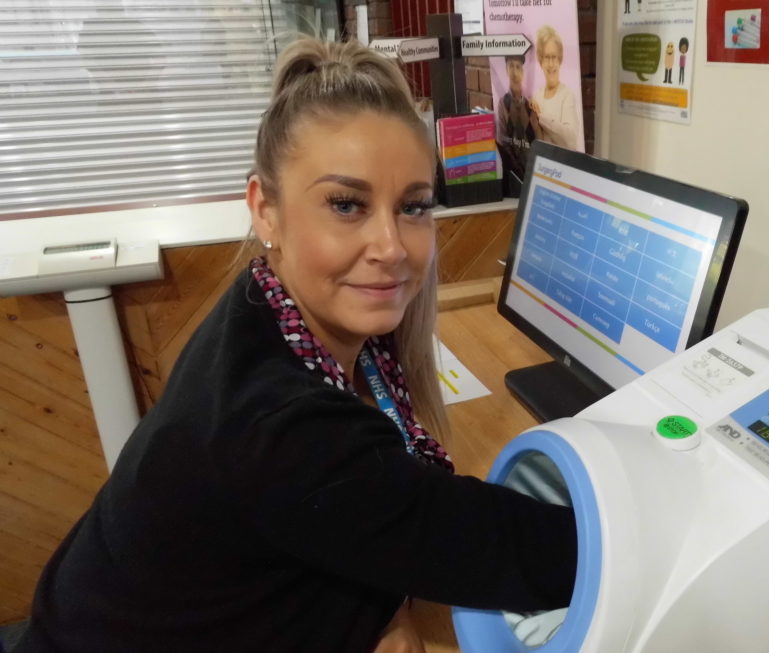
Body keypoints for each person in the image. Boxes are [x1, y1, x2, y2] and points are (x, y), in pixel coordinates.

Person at [12, 36, 577, 653]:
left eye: (413, 207)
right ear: (266, 210)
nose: (390, 246)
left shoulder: (264, 305)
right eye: (346, 204)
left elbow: (353, 522)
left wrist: (381, 604)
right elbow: (528, 555)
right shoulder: (281, 425)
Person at [529, 25, 582, 151]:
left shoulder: (567, 95)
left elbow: (571, 140)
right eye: (547, 57)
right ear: (541, 61)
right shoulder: (537, 96)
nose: (551, 64)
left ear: (560, 60)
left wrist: (540, 118)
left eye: (554, 57)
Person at [496, 54, 540, 182]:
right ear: (506, 69)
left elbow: (536, 140)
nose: (514, 71)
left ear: (523, 71)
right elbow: (503, 141)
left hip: (532, 172)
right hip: (513, 174)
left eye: (518, 67)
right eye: (511, 66)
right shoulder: (503, 103)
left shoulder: (530, 104)